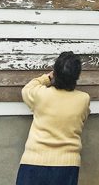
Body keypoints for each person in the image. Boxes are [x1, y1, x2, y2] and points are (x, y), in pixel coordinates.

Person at [17, 51, 91, 185]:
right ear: (77, 76)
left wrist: (47, 78)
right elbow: (83, 118)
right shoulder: (83, 99)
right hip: (68, 164)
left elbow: (27, 89)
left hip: (34, 161)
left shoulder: (41, 94)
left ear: (55, 72)